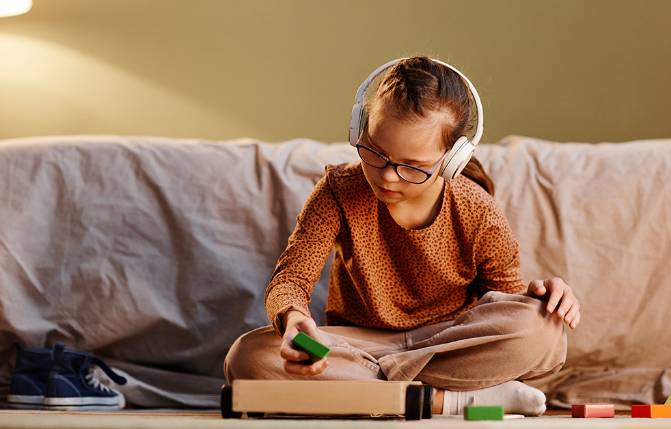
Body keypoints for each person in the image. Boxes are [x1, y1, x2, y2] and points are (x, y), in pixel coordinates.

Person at [224, 56, 581, 416]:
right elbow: (292, 278)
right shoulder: (338, 190)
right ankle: (450, 401)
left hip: (447, 343)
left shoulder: (478, 210)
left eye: (413, 167)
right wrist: (293, 319)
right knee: (248, 356)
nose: (388, 177)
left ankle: (367, 393)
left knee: (544, 331)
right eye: (375, 153)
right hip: (360, 348)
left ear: (451, 158)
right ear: (359, 129)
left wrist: (538, 299)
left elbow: (501, 302)